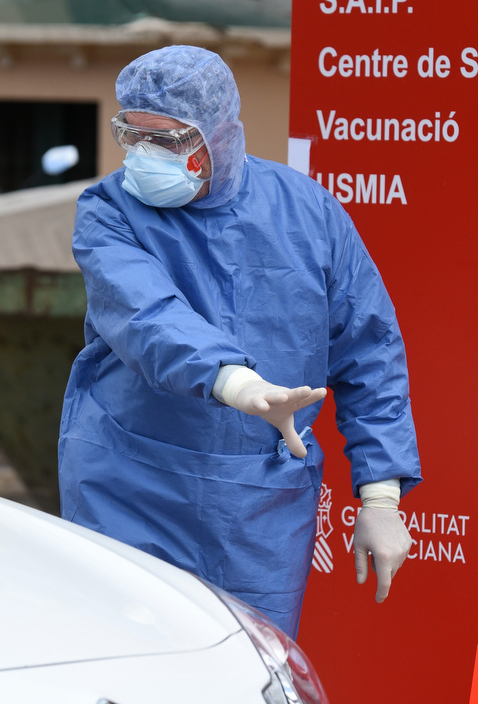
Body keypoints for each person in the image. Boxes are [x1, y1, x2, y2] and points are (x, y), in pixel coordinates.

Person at [58, 45, 421, 638]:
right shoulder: (110, 210)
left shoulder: (309, 213)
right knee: (125, 659)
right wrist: (239, 384)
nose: (146, 156)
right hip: (129, 480)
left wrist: (380, 497)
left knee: (248, 666)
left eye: (170, 141)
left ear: (220, 134)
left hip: (256, 503)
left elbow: (369, 351)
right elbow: (147, 315)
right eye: (133, 135)